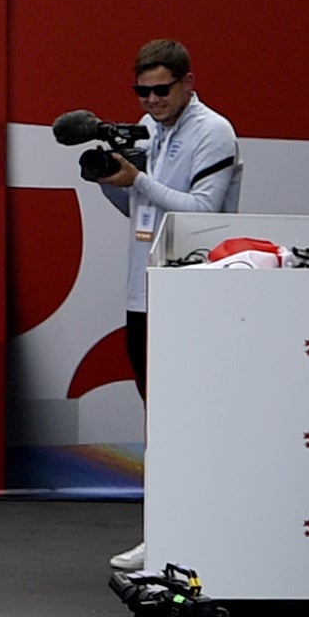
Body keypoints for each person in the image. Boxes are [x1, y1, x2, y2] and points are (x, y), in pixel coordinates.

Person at [84, 38, 238, 555]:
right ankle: (165, 535)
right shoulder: (147, 132)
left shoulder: (213, 133)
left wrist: (140, 179)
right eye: (141, 92)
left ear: (188, 83)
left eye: (161, 91)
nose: (151, 102)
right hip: (144, 293)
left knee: (189, 422)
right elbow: (136, 206)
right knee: (159, 423)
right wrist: (113, 180)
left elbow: (200, 210)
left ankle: (192, 535)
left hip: (193, 295)